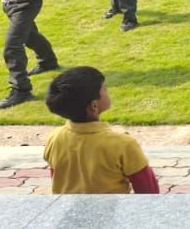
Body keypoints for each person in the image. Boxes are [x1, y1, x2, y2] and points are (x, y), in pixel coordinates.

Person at [42, 66, 159, 194]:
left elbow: (57, 176)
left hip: (68, 206)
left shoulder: (54, 138)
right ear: (94, 106)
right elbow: (148, 190)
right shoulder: (124, 144)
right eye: (104, 88)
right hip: (113, 207)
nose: (107, 89)